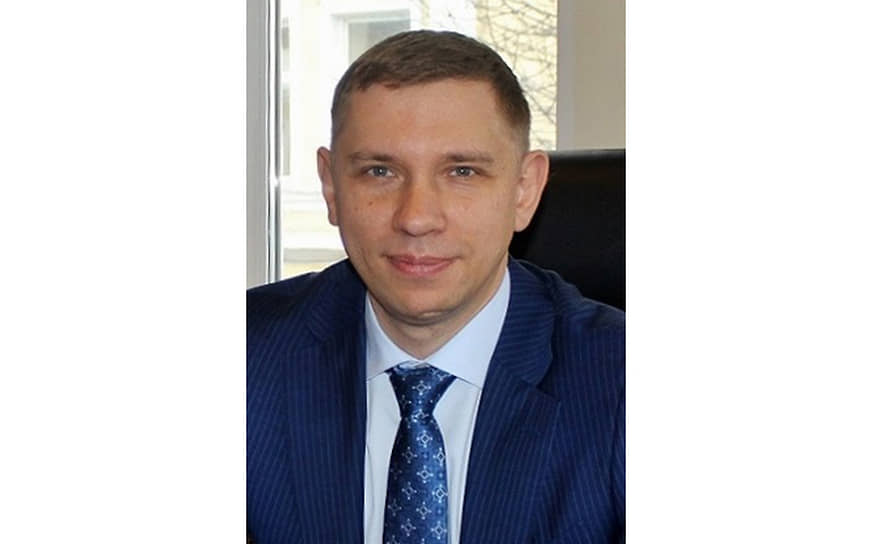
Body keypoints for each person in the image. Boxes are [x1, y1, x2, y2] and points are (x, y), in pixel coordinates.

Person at [247, 30, 624, 543]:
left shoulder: (620, 382)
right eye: (380, 171)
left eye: (461, 171)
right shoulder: (247, 359)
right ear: (331, 187)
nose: (417, 217)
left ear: (524, 190)